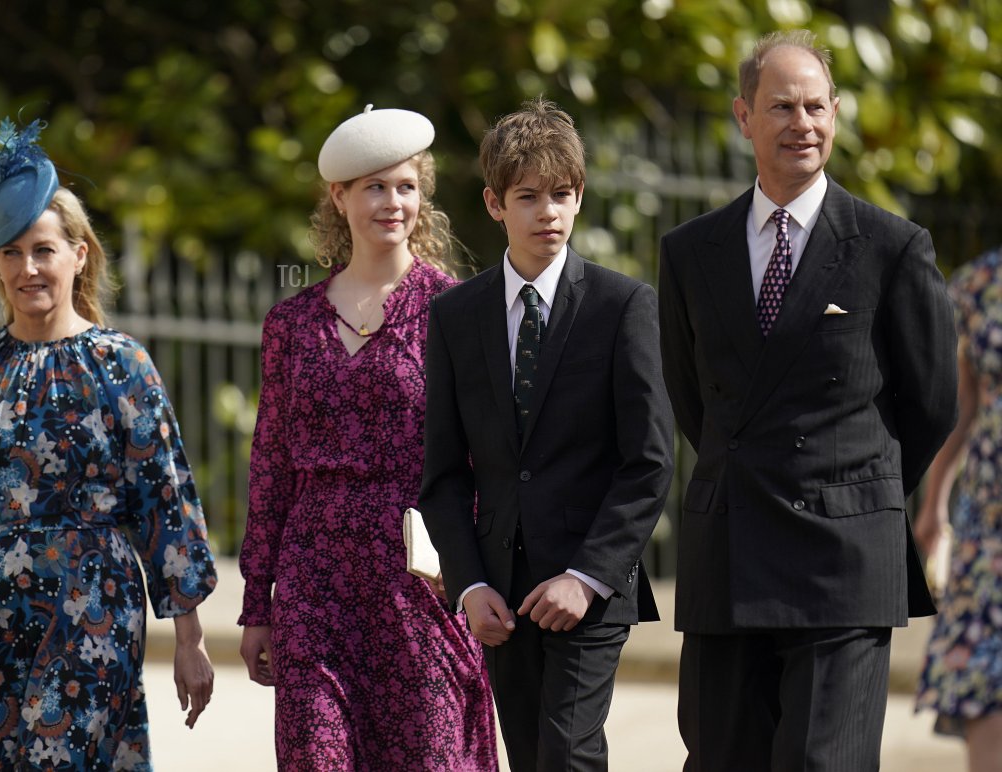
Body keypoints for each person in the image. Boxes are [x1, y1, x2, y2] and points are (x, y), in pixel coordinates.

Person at [0, 117, 218, 771]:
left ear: (80, 254)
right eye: (11, 253)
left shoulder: (120, 364)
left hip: (91, 610)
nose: (28, 268)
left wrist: (190, 640)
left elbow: (165, 499)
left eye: (44, 249)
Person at [658, 29, 958, 771]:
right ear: (743, 117)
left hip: (844, 562)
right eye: (782, 106)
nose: (803, 123)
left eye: (817, 107)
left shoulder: (893, 247)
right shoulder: (690, 251)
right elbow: (692, 398)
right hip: (728, 554)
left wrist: (851, 486)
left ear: (835, 115)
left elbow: (931, 404)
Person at [237, 106, 498, 770]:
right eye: (375, 187)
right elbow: (270, 467)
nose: (392, 202)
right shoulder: (290, 323)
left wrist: (473, 578)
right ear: (339, 197)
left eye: (406, 186)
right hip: (313, 582)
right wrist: (255, 604)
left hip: (419, 582)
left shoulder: (456, 310)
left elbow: (485, 459)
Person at [419, 97, 674, 770]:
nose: (549, 213)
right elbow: (444, 475)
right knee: (531, 757)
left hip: (589, 588)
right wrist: (469, 587)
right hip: (500, 592)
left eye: (563, 194)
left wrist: (587, 577)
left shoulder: (624, 306)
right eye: (528, 196)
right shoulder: (454, 316)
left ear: (580, 196)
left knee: (568, 753)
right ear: (495, 203)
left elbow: (649, 461)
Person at [914, 245, 1002, 771]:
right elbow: (962, 403)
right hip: (989, 523)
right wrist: (934, 503)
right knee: (984, 682)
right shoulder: (981, 283)